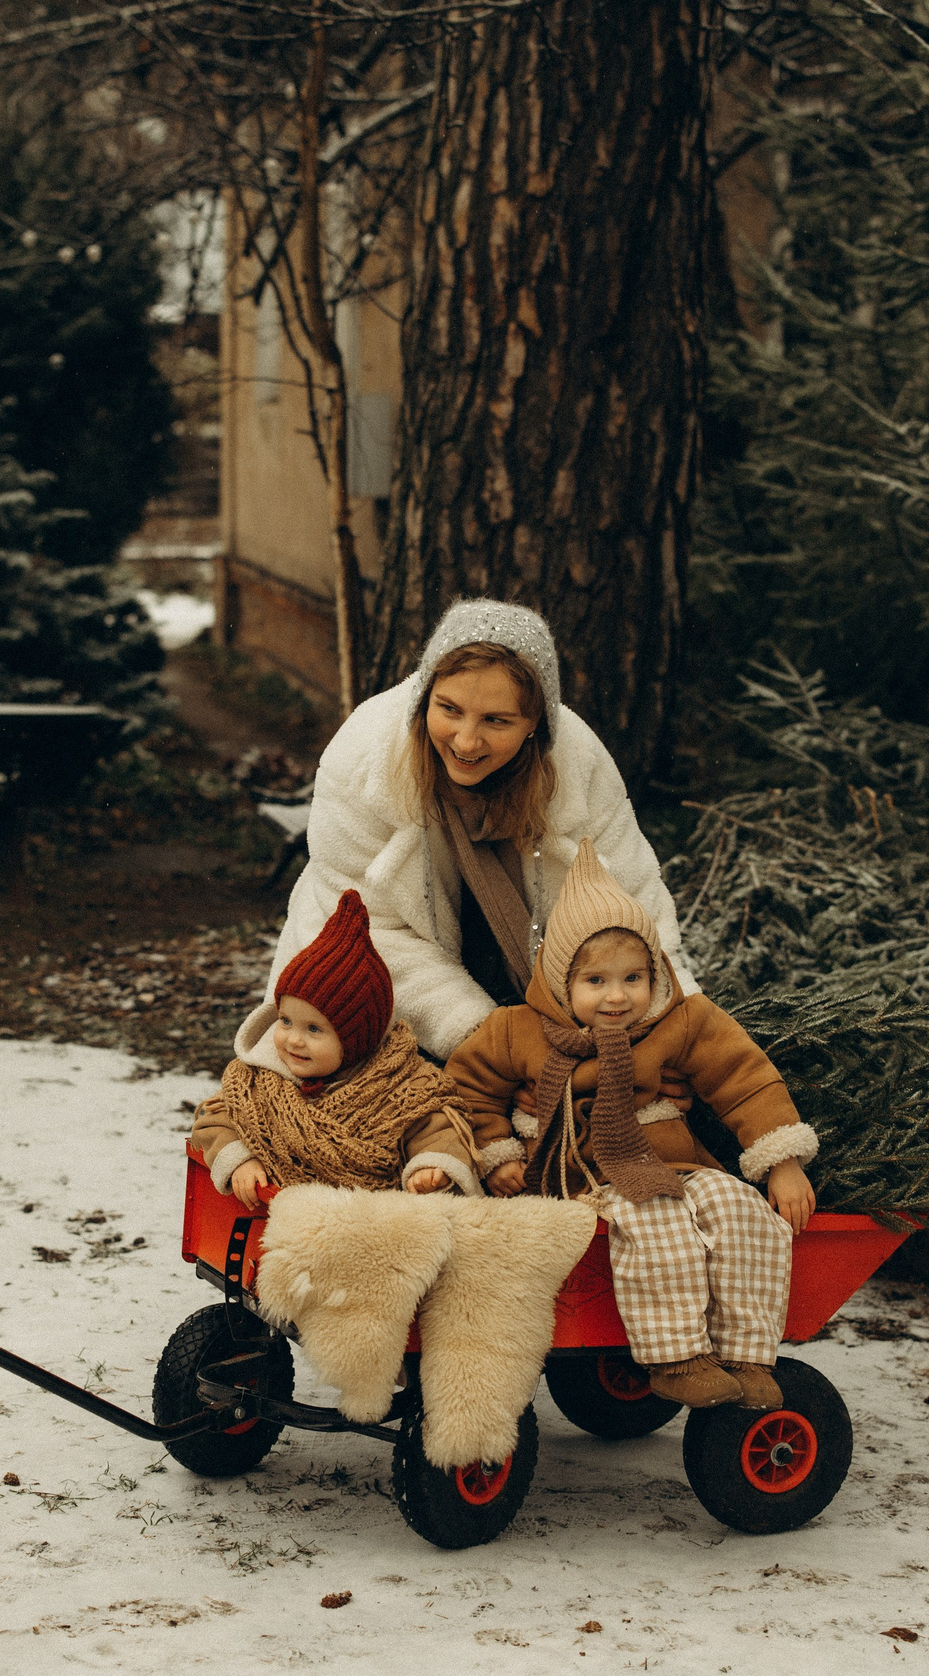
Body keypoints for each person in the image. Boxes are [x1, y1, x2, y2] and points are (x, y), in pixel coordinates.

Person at [447, 841, 821, 1412]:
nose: (618, 996)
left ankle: (745, 1355)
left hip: (670, 1160)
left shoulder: (681, 1019)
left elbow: (742, 1075)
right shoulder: (515, 1030)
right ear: (559, 981)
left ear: (656, 973)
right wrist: (497, 1153)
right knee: (656, 1219)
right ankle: (674, 1357)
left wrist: (783, 1162)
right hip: (577, 1174)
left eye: (633, 977)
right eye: (595, 981)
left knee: (740, 1209)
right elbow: (466, 1087)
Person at [268, 599, 693, 1060]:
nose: (467, 741)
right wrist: (494, 1041)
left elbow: (636, 909)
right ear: (424, 696)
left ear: (536, 725)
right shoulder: (364, 761)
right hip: (374, 996)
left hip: (538, 994)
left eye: (496, 721)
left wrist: (677, 1030)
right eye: (449, 709)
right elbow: (366, 933)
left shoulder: (578, 764)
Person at [192, 891, 502, 1201]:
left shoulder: (399, 1087)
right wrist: (240, 1159)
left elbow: (436, 1128)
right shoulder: (257, 1080)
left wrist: (430, 1166)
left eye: (314, 1028)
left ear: (356, 1041)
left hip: (366, 1222)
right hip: (271, 1220)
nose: (293, 1039)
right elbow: (215, 1119)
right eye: (285, 1021)